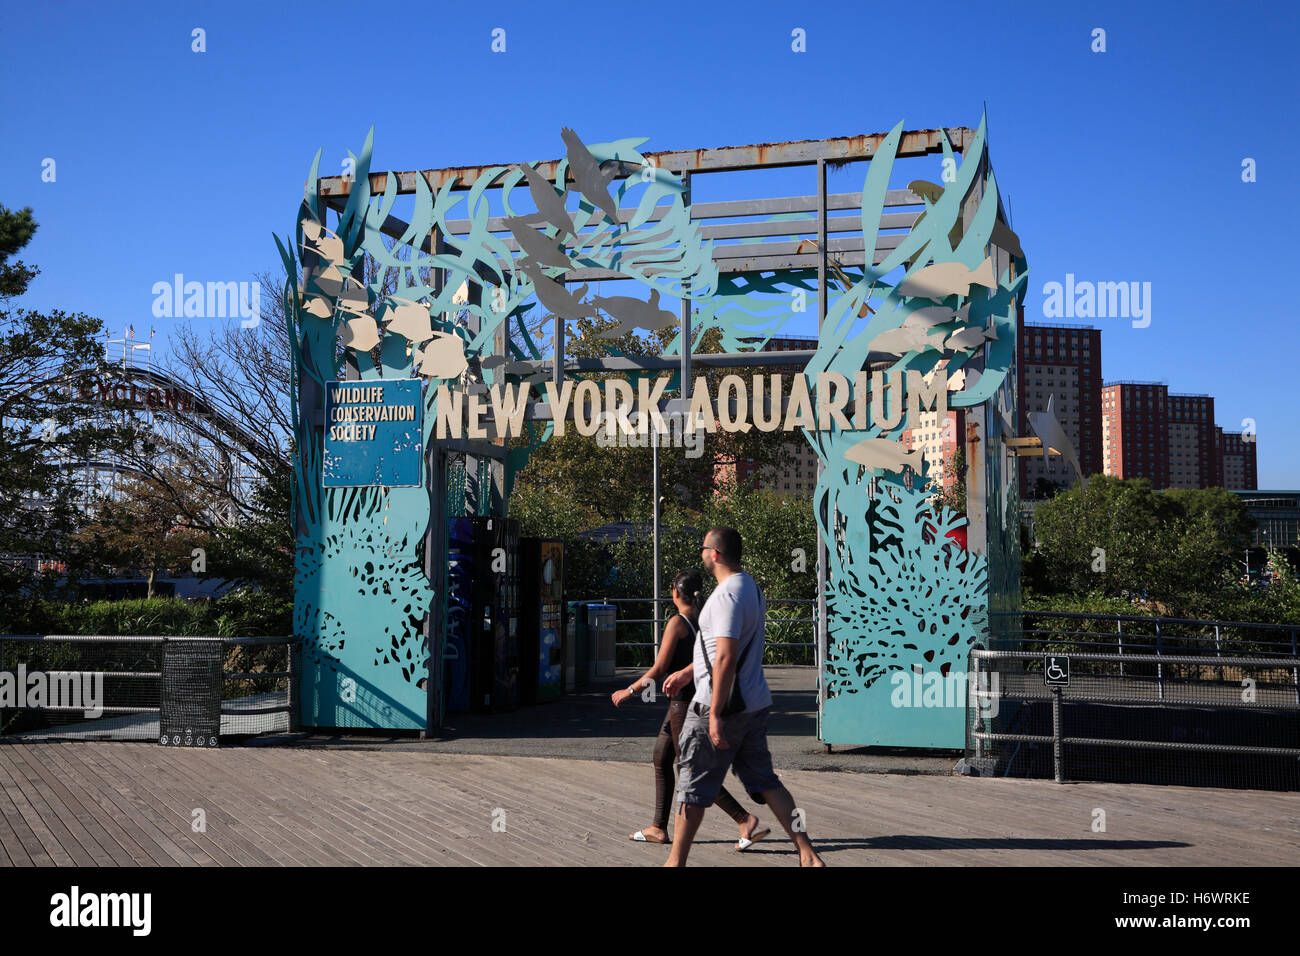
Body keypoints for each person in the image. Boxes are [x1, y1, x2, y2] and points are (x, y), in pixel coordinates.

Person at [661, 527, 825, 867]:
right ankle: (807, 852)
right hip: (754, 703)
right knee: (768, 783)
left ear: (716, 554)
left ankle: (674, 863)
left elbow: (725, 656)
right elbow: (718, 652)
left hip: (716, 707)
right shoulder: (750, 586)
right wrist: (688, 673)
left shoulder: (725, 597)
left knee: (691, 789)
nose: (702, 553)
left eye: (704, 548)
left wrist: (716, 713)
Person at [611, 569, 769, 851]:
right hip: (694, 700)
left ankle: (743, 819)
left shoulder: (677, 623)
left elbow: (660, 669)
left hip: (682, 704)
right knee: (661, 757)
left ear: (675, 593)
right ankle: (658, 827)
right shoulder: (704, 617)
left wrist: (630, 690)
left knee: (694, 770)